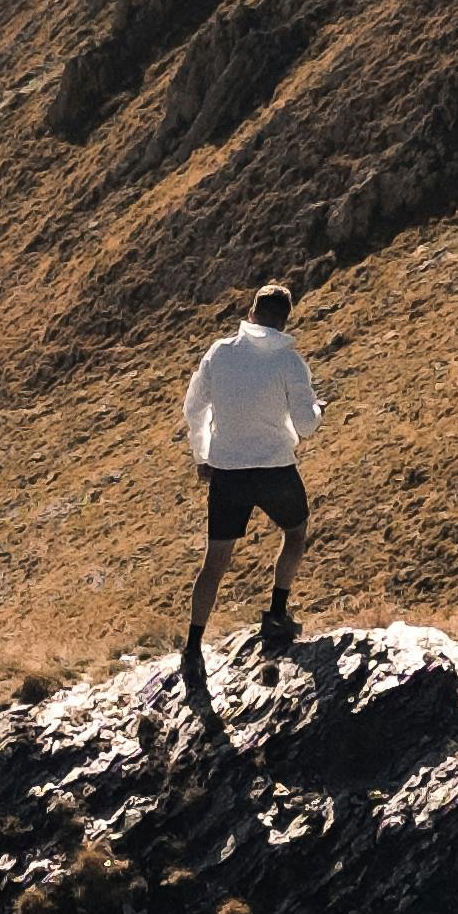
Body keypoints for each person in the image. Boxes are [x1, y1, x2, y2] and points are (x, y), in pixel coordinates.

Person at [176, 282, 325, 672]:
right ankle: (276, 612)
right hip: (275, 467)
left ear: (252, 311)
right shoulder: (289, 362)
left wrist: (202, 455)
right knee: (294, 533)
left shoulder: (220, 353)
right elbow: (307, 426)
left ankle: (193, 646)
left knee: (216, 561)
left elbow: (194, 409)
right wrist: (316, 407)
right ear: (285, 318)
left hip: (227, 471)